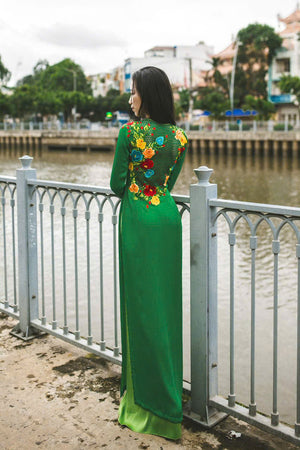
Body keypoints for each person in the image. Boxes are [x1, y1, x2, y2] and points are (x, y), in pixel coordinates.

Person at [110, 66, 188, 440]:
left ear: (147, 95)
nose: (130, 99)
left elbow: (116, 184)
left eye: (134, 92)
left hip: (139, 223)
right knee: (166, 310)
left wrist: (135, 183)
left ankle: (143, 407)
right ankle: (170, 408)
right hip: (167, 220)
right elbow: (168, 183)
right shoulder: (180, 137)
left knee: (139, 310)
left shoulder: (129, 133)